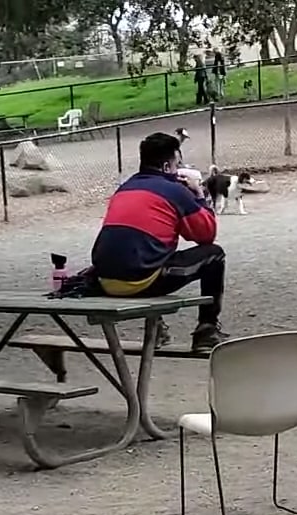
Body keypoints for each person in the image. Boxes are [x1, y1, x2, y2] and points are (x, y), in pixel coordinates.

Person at [91, 131, 227, 352]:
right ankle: (206, 330)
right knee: (214, 254)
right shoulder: (174, 191)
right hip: (140, 282)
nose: (178, 170)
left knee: (150, 251)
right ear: (166, 167)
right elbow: (206, 235)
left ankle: (158, 330)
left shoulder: (124, 189)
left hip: (105, 280)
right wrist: (199, 195)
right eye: (177, 164)